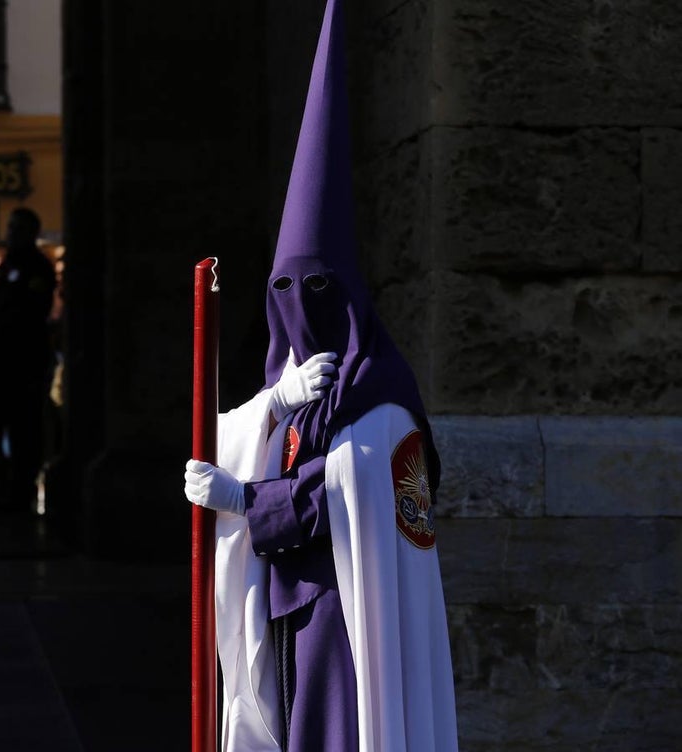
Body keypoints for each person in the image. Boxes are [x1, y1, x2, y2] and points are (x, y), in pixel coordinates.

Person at [182, 1, 459, 750]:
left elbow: (358, 486)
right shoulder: (295, 381)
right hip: (281, 607)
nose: (299, 307)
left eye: (317, 289)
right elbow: (233, 435)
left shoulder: (383, 388)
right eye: (283, 289)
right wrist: (272, 401)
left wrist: (248, 498)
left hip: (346, 610)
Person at [0, 208, 57, 513]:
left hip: (23, 364)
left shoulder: (38, 268)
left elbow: (28, 312)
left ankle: (19, 497)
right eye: (10, 227)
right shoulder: (6, 266)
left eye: (18, 228)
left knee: (24, 433)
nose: (11, 233)